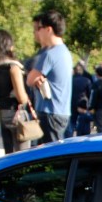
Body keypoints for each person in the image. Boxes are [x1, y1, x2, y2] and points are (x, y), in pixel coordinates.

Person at [26, 9, 73, 144]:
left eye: (39, 28)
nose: (37, 32)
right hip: (62, 111)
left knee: (50, 156)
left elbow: (30, 80)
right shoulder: (64, 51)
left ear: (48, 29)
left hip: (50, 112)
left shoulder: (49, 54)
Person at [0, 29, 33, 154]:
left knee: (5, 154)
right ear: (9, 46)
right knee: (22, 155)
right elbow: (21, 97)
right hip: (14, 114)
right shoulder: (13, 67)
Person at [69, 62, 92, 137]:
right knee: (84, 121)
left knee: (72, 121)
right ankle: (83, 135)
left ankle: (70, 136)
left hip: (72, 102)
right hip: (82, 102)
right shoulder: (86, 80)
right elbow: (89, 93)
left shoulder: (70, 80)